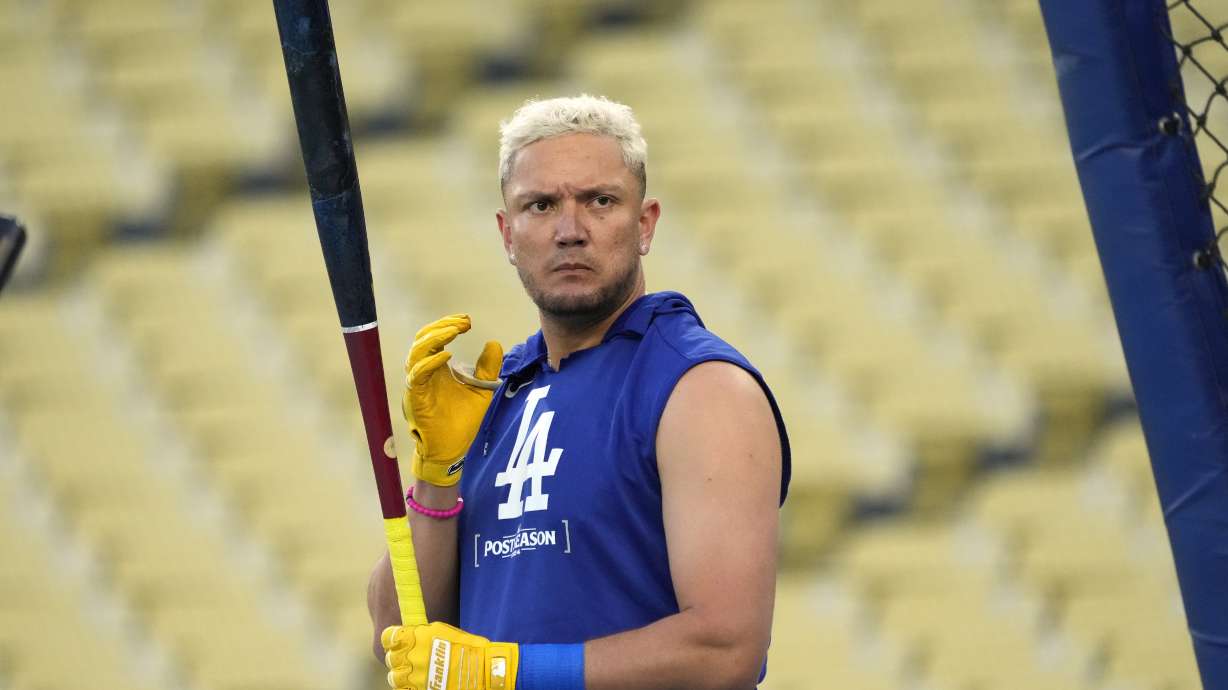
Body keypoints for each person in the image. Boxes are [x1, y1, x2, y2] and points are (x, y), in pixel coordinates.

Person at [368, 94, 791, 690]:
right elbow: (399, 635)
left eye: (599, 201)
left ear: (644, 224)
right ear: (507, 234)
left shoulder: (700, 387)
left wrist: (512, 673)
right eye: (540, 206)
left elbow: (724, 650)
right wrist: (437, 476)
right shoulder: (493, 396)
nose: (570, 231)